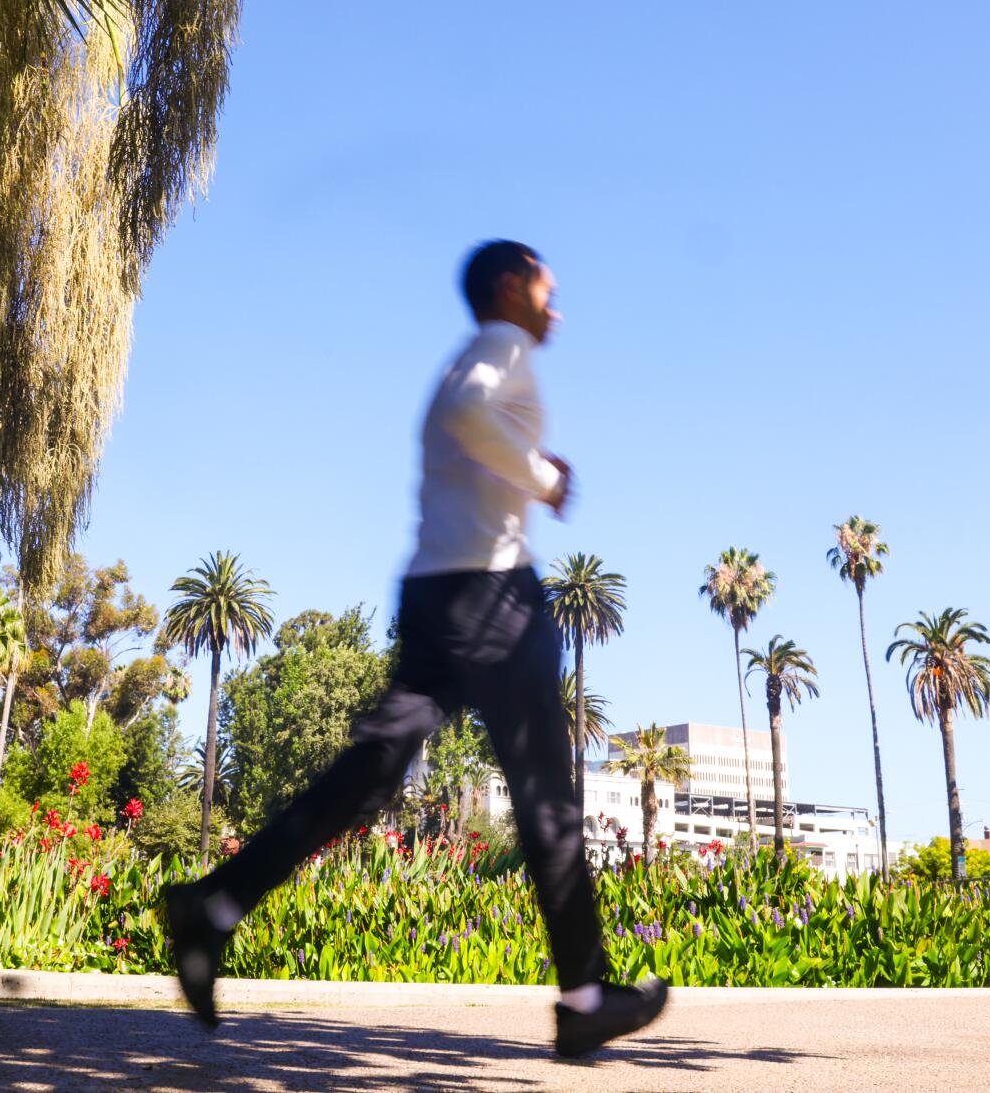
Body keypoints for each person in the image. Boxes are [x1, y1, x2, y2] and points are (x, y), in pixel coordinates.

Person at [161, 240, 668, 1059]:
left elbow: (469, 426)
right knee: (543, 791)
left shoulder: (467, 355)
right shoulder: (497, 350)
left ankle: (214, 906)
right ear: (512, 286)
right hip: (494, 593)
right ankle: (582, 996)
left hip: (435, 591)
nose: (557, 306)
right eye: (549, 288)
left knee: (371, 772)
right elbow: (476, 414)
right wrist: (544, 478)